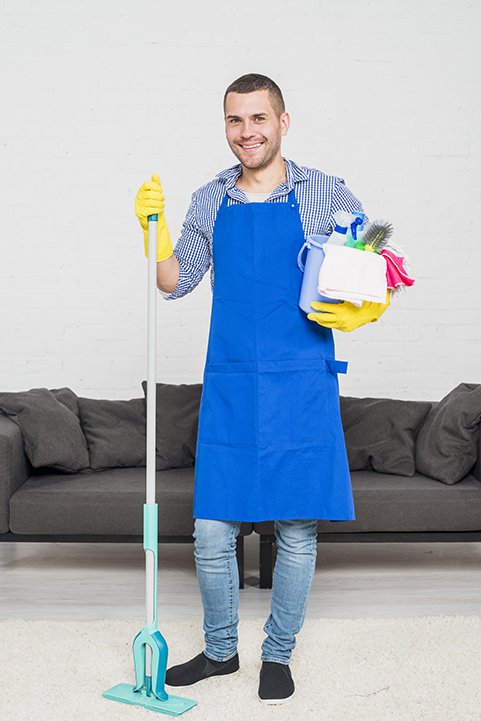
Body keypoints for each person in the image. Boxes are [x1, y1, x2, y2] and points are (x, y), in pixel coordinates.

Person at [135, 73, 389, 705]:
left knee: (297, 530)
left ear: (281, 120)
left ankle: (278, 653)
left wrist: (367, 294)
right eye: (234, 121)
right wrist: (154, 229)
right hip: (232, 383)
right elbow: (174, 282)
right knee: (212, 531)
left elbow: (374, 265)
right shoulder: (208, 198)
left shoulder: (325, 192)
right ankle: (221, 651)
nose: (246, 132)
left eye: (257, 119)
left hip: (300, 381)